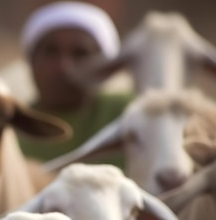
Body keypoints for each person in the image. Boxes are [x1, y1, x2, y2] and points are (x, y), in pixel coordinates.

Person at [15, 1, 133, 168]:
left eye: (80, 54)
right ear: (31, 60)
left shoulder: (129, 114)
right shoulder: (8, 128)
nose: (64, 67)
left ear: (105, 67)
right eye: (50, 51)